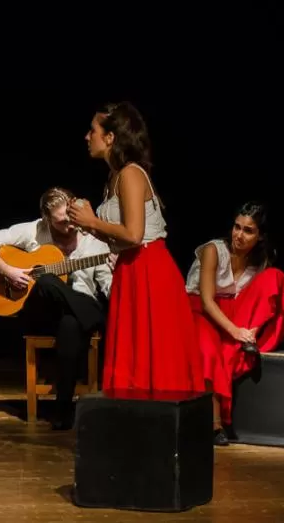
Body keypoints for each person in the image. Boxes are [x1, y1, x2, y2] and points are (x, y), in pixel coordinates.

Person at [68, 101, 206, 397]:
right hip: (131, 268)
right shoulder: (113, 178)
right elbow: (121, 237)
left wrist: (93, 221)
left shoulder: (131, 173)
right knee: (134, 352)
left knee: (156, 353)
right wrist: (89, 224)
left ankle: (164, 427)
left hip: (149, 270)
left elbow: (133, 234)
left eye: (92, 130)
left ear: (110, 138)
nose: (86, 136)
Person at [0, 187, 114, 429]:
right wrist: (8, 271)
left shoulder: (95, 242)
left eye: (71, 219)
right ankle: (94, 318)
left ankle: (63, 410)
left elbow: (108, 289)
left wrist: (118, 270)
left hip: (75, 312)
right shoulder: (33, 231)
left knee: (71, 322)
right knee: (47, 280)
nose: (70, 226)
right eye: (61, 223)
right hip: (42, 312)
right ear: (47, 219)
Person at [185, 201, 284, 445]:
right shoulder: (213, 250)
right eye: (237, 227)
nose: (239, 234)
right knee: (209, 351)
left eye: (248, 230)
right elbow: (205, 300)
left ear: (260, 236)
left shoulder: (258, 262)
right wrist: (235, 330)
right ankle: (215, 423)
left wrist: (247, 331)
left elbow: (261, 298)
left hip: (232, 311)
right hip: (200, 310)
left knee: (275, 277)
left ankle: (252, 337)